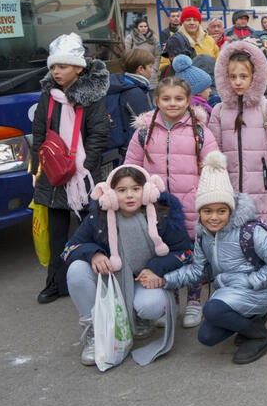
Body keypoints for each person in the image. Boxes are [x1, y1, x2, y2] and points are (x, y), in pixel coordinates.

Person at [158, 152, 267, 364]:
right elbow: (197, 271)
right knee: (207, 337)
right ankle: (252, 322)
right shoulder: (203, 236)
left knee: (212, 309)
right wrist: (165, 280)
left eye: (221, 211)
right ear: (199, 212)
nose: (214, 217)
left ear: (231, 209)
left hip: (259, 289)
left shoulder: (250, 232)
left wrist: (253, 281)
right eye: (207, 211)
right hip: (230, 292)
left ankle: (259, 336)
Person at [63, 165, 192, 366]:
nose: (129, 195)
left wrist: (157, 268)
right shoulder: (98, 218)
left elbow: (186, 252)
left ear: (147, 190)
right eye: (121, 190)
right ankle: (95, 332)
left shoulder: (162, 216)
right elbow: (68, 250)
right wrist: (93, 254)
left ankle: (139, 317)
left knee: (151, 306)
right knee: (76, 270)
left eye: (136, 188)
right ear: (110, 194)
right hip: (110, 278)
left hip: (143, 279)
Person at [125, 74, 218, 326]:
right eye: (166, 99)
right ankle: (171, 301)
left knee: (194, 254)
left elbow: (214, 168)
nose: (172, 103)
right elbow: (131, 168)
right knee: (166, 251)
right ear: (157, 101)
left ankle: (194, 301)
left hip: (192, 205)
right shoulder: (144, 133)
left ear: (188, 101)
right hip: (157, 208)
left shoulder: (201, 132)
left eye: (179, 98)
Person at [31, 34, 110, 304]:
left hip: (83, 177)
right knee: (57, 236)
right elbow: (39, 131)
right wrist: (39, 166)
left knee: (89, 231)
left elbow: (99, 134)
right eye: (53, 67)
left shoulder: (92, 98)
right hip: (54, 176)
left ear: (78, 67)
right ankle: (55, 283)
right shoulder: (47, 97)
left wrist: (83, 169)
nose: (56, 72)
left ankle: (99, 278)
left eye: (63, 66)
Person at [208, 40, 267, 222]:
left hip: (264, 193)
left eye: (244, 76)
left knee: (265, 243)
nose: (238, 82)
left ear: (255, 76)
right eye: (232, 76)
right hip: (229, 193)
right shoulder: (219, 111)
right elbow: (214, 154)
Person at [104, 49, 154, 163]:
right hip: (133, 145)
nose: (152, 70)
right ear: (140, 69)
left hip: (124, 144)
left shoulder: (124, 83)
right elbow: (147, 122)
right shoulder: (134, 92)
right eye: (150, 66)